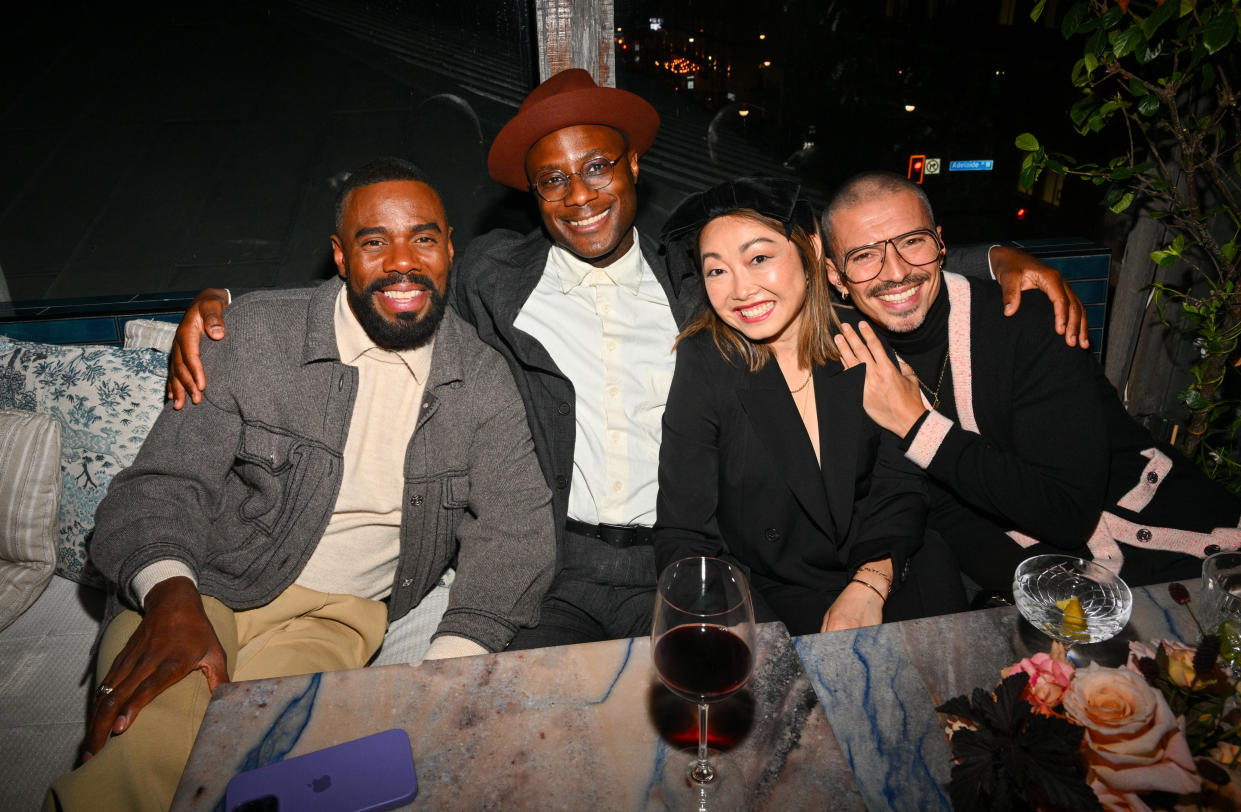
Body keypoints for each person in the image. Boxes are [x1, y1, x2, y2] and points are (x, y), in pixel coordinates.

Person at [163, 70, 1087, 649]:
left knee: (755, 730)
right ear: (532, 195)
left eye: (597, 169)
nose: (578, 196)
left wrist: (987, 256)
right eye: (553, 180)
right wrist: (228, 313)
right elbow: (388, 288)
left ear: (634, 167)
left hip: (695, 558)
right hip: (554, 565)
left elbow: (815, 264)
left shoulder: (698, 270)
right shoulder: (492, 276)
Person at [46, 158, 555, 811]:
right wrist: (171, 601)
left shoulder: (481, 382)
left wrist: (446, 667)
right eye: (375, 241)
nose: (403, 261)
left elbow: (516, 535)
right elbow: (159, 485)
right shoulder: (256, 334)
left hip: (336, 619)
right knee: (144, 745)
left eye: (423, 238)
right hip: (201, 585)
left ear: (448, 248)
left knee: (259, 769)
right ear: (341, 258)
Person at [824, 170, 1241, 598]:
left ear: (940, 244)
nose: (896, 271)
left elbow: (1068, 514)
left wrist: (917, 426)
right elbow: (943, 508)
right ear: (835, 277)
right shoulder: (856, 351)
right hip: (1065, 592)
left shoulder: (1026, 321)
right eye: (864, 255)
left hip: (1194, 553)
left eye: (913, 242)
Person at [654, 178, 963, 635]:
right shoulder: (706, 360)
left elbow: (900, 482)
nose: (740, 289)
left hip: (890, 568)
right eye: (716, 270)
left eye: (759, 258)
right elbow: (686, 534)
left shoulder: (860, 336)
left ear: (811, 249)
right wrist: (746, 633)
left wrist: (869, 584)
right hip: (768, 598)